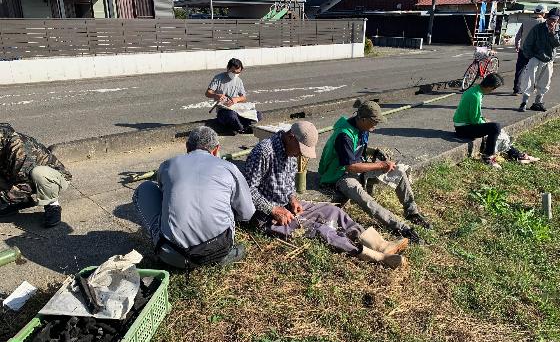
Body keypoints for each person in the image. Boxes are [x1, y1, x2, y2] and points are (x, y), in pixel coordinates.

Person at [243, 121, 408, 268]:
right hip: (266, 216)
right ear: (291, 137)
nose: (301, 154)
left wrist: (292, 198)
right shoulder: (264, 152)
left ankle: (379, 244)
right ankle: (375, 256)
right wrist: (273, 209)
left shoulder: (291, 152)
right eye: (300, 149)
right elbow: (248, 189)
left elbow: (289, 183)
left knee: (333, 211)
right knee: (320, 229)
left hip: (286, 207)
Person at [133, 126, 255, 270]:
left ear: (187, 147)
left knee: (144, 189)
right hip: (218, 249)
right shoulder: (229, 167)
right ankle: (220, 256)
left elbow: (163, 193)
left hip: (172, 255)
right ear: (216, 149)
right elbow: (247, 213)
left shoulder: (168, 165)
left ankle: (163, 244)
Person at [318, 100, 430, 243]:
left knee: (399, 172)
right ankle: (400, 227)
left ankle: (412, 212)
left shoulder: (362, 128)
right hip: (338, 175)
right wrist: (380, 165)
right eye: (374, 122)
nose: (375, 126)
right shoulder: (344, 135)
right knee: (366, 200)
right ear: (363, 119)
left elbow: (358, 149)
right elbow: (350, 167)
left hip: (356, 167)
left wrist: (375, 152)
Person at [454, 73, 539, 170]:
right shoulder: (476, 96)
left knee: (496, 129)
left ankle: (515, 154)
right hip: (463, 128)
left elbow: (474, 116)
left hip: (464, 125)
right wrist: (486, 123)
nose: (492, 91)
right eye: (494, 88)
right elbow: (475, 120)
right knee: (495, 128)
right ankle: (488, 156)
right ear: (490, 87)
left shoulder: (475, 90)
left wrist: (485, 122)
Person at [0, 123, 71, 227]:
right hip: (21, 176)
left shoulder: (20, 149)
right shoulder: (4, 143)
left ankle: (52, 205)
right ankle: (23, 202)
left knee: (38, 173)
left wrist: (3, 198)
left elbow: (26, 186)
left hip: (54, 178)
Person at [205, 58, 263, 134]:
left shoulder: (239, 81)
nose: (235, 74)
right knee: (231, 115)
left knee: (258, 114)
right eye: (233, 72)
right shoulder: (218, 78)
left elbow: (243, 97)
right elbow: (207, 93)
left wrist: (236, 99)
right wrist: (216, 95)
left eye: (238, 72)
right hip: (223, 110)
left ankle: (237, 127)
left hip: (236, 108)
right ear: (228, 68)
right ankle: (242, 128)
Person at [519, 7, 560, 112]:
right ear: (546, 17)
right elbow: (527, 43)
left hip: (549, 60)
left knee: (545, 82)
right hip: (535, 58)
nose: (552, 21)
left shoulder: (558, 30)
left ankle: (538, 103)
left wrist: (552, 33)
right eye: (551, 19)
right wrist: (530, 56)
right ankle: (523, 103)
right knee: (528, 80)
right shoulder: (538, 28)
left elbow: (557, 44)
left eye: (555, 20)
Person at [513, 5, 546, 94]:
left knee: (519, 70)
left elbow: (518, 36)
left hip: (523, 49)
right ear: (543, 13)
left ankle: (516, 89)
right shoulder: (544, 23)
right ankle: (531, 88)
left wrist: (517, 45)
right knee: (534, 70)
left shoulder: (525, 21)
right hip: (536, 51)